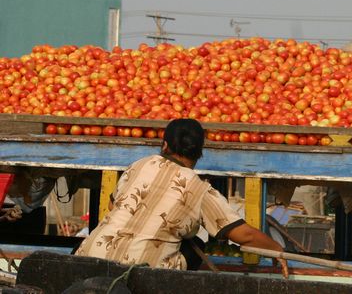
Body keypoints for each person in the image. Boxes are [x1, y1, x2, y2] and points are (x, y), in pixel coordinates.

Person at [75, 119, 288, 277]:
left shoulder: (140, 165)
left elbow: (113, 206)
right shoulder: (200, 188)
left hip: (90, 257)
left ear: (165, 145)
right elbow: (245, 235)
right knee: (196, 243)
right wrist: (277, 250)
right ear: (199, 153)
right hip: (143, 272)